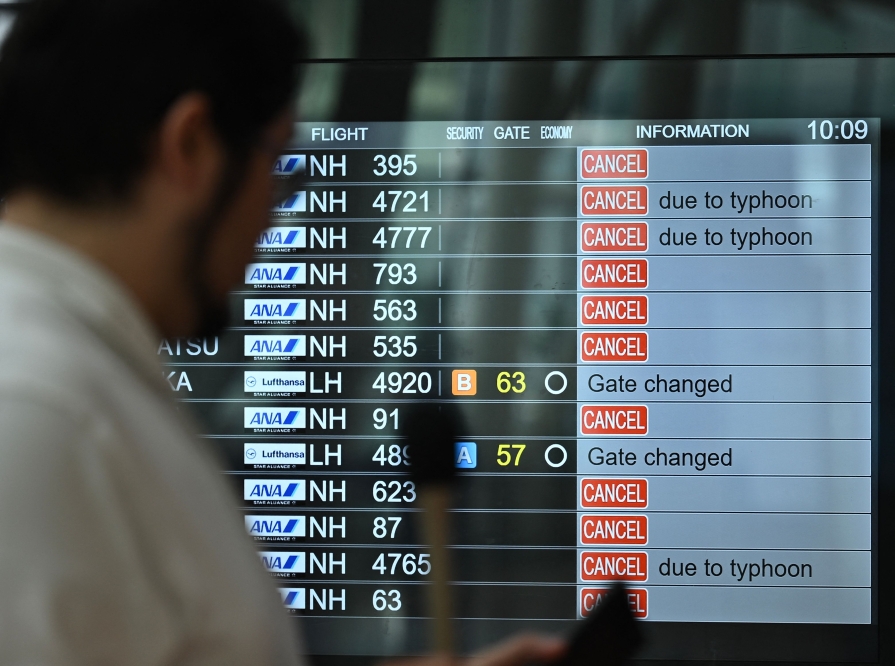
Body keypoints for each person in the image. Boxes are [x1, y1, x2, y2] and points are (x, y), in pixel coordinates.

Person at [0, 1, 565, 664]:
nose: (274, 219)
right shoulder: (40, 411)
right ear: (191, 145)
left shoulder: (74, 375)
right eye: (280, 168)